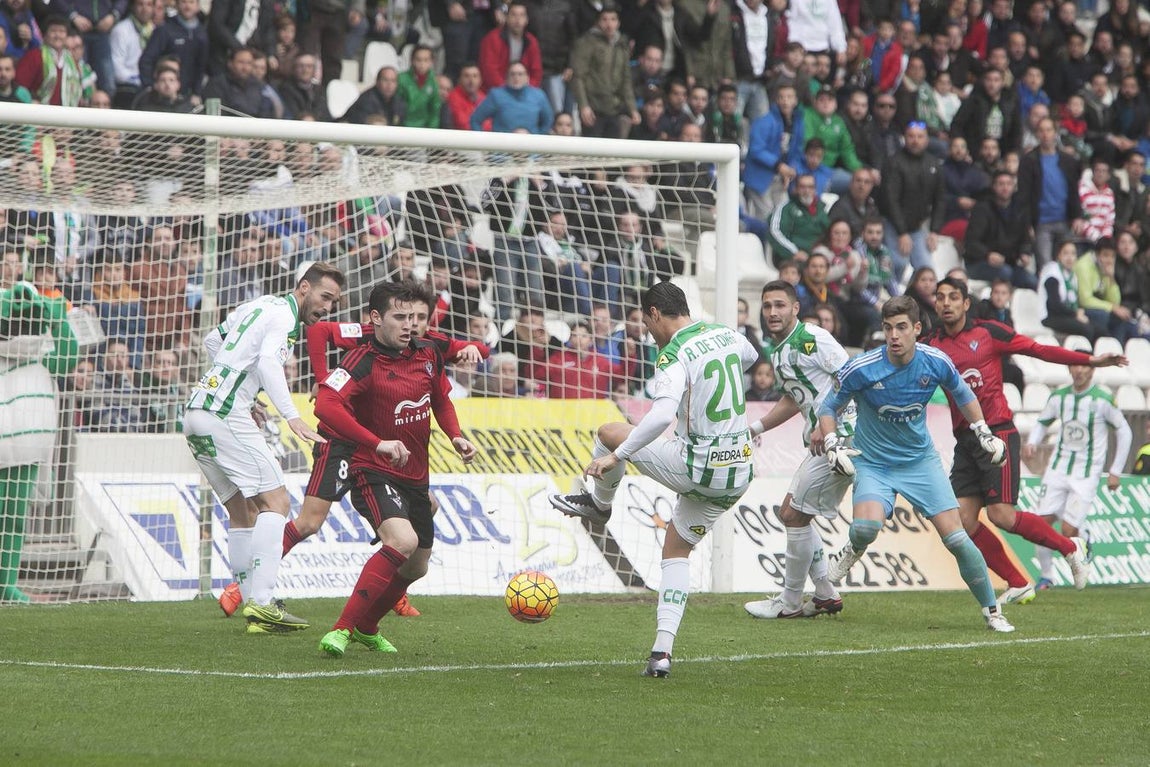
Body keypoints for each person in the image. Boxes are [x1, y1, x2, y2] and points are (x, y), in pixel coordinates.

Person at [549, 281, 758, 678]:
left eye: (646, 322)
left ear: (656, 313)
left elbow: (661, 416)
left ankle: (599, 504)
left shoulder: (673, 354)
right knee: (676, 550)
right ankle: (661, 653)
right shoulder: (725, 333)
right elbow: (747, 358)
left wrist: (617, 456)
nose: (647, 331)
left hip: (699, 465)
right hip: (739, 472)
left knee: (610, 432)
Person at [820, 295, 1015, 633]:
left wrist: (983, 431)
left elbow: (963, 394)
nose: (894, 335)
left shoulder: (934, 361)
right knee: (865, 528)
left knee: (956, 539)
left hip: (919, 463)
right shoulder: (861, 367)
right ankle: (853, 548)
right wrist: (832, 442)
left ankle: (992, 610)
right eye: (888, 328)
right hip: (874, 463)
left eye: (901, 328)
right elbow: (827, 408)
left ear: (917, 329)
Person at [925, 277, 1126, 602]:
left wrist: (1087, 360)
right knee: (961, 520)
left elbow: (1038, 349)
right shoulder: (931, 344)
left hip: (997, 433)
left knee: (1001, 514)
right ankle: (1018, 581)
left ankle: (1070, 547)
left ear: (965, 304)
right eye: (940, 297)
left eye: (953, 297)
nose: (945, 303)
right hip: (964, 439)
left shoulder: (988, 333)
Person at [314, 281, 478, 657]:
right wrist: (377, 443)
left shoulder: (428, 353)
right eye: (400, 317)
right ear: (376, 318)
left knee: (417, 566)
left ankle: (368, 627)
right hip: (372, 468)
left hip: (417, 476)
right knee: (401, 542)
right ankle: (342, 629)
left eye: (417, 318)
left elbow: (441, 399)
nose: (411, 325)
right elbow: (325, 405)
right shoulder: (360, 360)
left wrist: (456, 436)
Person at [182, 262, 343, 633]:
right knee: (278, 502)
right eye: (324, 297)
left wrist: (241, 390)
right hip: (223, 414)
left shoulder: (258, 306)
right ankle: (264, 601)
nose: (327, 308)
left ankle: (254, 607)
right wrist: (292, 416)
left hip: (197, 411)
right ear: (304, 288)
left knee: (243, 511)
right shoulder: (285, 320)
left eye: (334, 302)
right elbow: (270, 362)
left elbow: (212, 340)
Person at [743, 280, 850, 618]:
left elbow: (850, 376)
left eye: (779, 305)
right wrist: (756, 427)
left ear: (794, 308)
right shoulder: (779, 350)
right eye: (766, 306)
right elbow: (794, 396)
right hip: (823, 441)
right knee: (793, 512)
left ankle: (789, 602)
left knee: (792, 514)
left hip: (842, 437)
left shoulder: (812, 338)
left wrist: (825, 424)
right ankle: (824, 593)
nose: (772, 312)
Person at [1023, 355, 1132, 588]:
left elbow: (1124, 432)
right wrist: (1033, 442)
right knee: (1040, 523)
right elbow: (1043, 422)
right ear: (1069, 368)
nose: (1078, 370)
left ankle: (1083, 534)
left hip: (1086, 474)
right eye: (1074, 364)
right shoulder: (1059, 397)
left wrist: (1115, 470)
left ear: (1092, 370)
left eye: (1083, 365)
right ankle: (1046, 577)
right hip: (1057, 469)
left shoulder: (1103, 399)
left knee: (1068, 530)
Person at [0, 283, 79, 602]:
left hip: (26, 452)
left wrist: (58, 318)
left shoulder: (42, 359)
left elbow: (69, 354)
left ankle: (7, 583)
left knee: (14, 520)